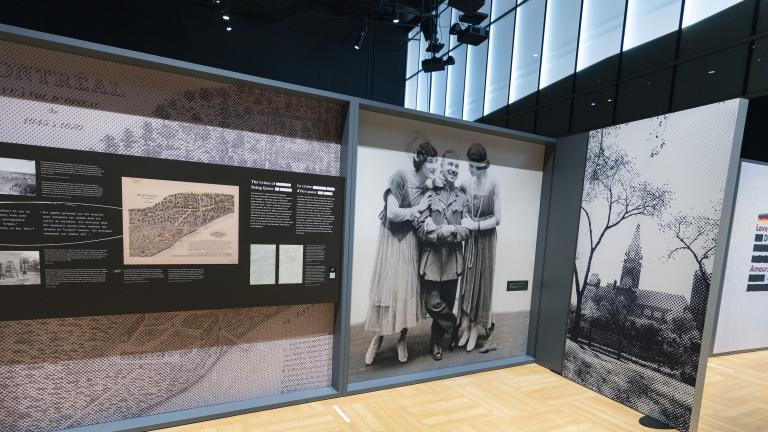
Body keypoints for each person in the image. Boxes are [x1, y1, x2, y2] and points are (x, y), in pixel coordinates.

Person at [364, 141, 438, 365]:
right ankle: (378, 338)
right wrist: (419, 209)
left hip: (410, 241)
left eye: (437, 162)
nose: (434, 166)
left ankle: (402, 339)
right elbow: (393, 213)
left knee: (406, 290)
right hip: (392, 239)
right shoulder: (400, 177)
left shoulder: (428, 190)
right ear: (421, 161)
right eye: (431, 161)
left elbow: (424, 220)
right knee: (388, 289)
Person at [416, 150, 471, 361]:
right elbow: (420, 226)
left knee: (447, 300)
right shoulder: (430, 194)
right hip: (431, 260)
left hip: (453, 260)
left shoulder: (463, 199)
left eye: (456, 167)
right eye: (450, 165)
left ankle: (436, 343)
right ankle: (453, 324)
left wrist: (452, 230)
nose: (453, 170)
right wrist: (438, 232)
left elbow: (467, 230)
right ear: (441, 168)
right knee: (432, 303)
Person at [458, 143, 501, 352]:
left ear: (482, 166)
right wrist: (465, 218)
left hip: (486, 240)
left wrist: (476, 225)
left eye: (472, 166)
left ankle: (476, 327)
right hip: (472, 240)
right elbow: (459, 202)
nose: (469, 169)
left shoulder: (494, 184)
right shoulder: (466, 183)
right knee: (468, 281)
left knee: (483, 282)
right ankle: (466, 325)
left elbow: (498, 218)